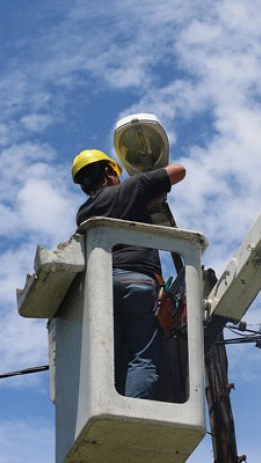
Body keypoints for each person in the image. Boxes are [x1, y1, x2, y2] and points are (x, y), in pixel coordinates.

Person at [72, 149, 186, 399]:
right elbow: (179, 171)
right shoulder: (132, 188)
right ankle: (134, 412)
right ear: (109, 171)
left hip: (102, 288)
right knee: (143, 359)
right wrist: (146, 177)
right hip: (138, 281)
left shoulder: (83, 214)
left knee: (113, 359)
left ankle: (111, 409)